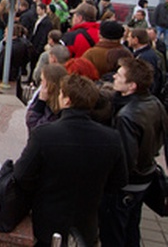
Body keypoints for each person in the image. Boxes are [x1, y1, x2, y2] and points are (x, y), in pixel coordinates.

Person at [14, 74, 127, 247]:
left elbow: (22, 175)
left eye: (61, 94)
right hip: (86, 223)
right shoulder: (112, 138)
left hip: (47, 222)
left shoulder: (44, 134)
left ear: (67, 100)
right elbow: (118, 181)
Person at [99, 58, 168, 246]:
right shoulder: (154, 102)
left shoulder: (126, 116)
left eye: (119, 75)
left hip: (126, 187)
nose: (114, 76)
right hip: (145, 179)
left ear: (132, 86)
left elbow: (125, 159)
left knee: (114, 235)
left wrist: (110, 186)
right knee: (131, 229)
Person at [25, 63, 67, 133]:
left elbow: (34, 126)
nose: (41, 84)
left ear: (50, 84)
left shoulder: (56, 109)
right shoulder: (43, 95)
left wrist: (41, 101)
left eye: (42, 80)